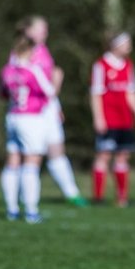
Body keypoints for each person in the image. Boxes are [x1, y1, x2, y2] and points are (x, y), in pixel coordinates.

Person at [17, 16, 87, 207]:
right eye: (41, 28)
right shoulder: (22, 52)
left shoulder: (43, 50)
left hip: (47, 107)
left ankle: (71, 193)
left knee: (56, 150)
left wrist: (55, 104)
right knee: (31, 155)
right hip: (32, 111)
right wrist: (55, 83)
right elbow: (22, 82)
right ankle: (25, 198)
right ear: (28, 31)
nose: (45, 32)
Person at [0, 34, 58, 222]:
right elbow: (49, 92)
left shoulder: (7, 70)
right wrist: (57, 79)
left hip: (13, 116)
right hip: (31, 118)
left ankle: (12, 209)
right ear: (29, 51)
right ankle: (31, 210)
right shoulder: (33, 70)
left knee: (13, 161)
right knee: (32, 163)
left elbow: (3, 94)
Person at [90, 32, 135, 207]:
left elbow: (130, 92)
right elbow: (95, 94)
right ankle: (98, 197)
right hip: (108, 119)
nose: (129, 46)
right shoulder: (101, 65)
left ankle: (122, 197)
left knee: (123, 156)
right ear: (115, 45)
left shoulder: (128, 65)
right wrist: (98, 117)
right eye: (126, 43)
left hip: (124, 119)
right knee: (104, 155)